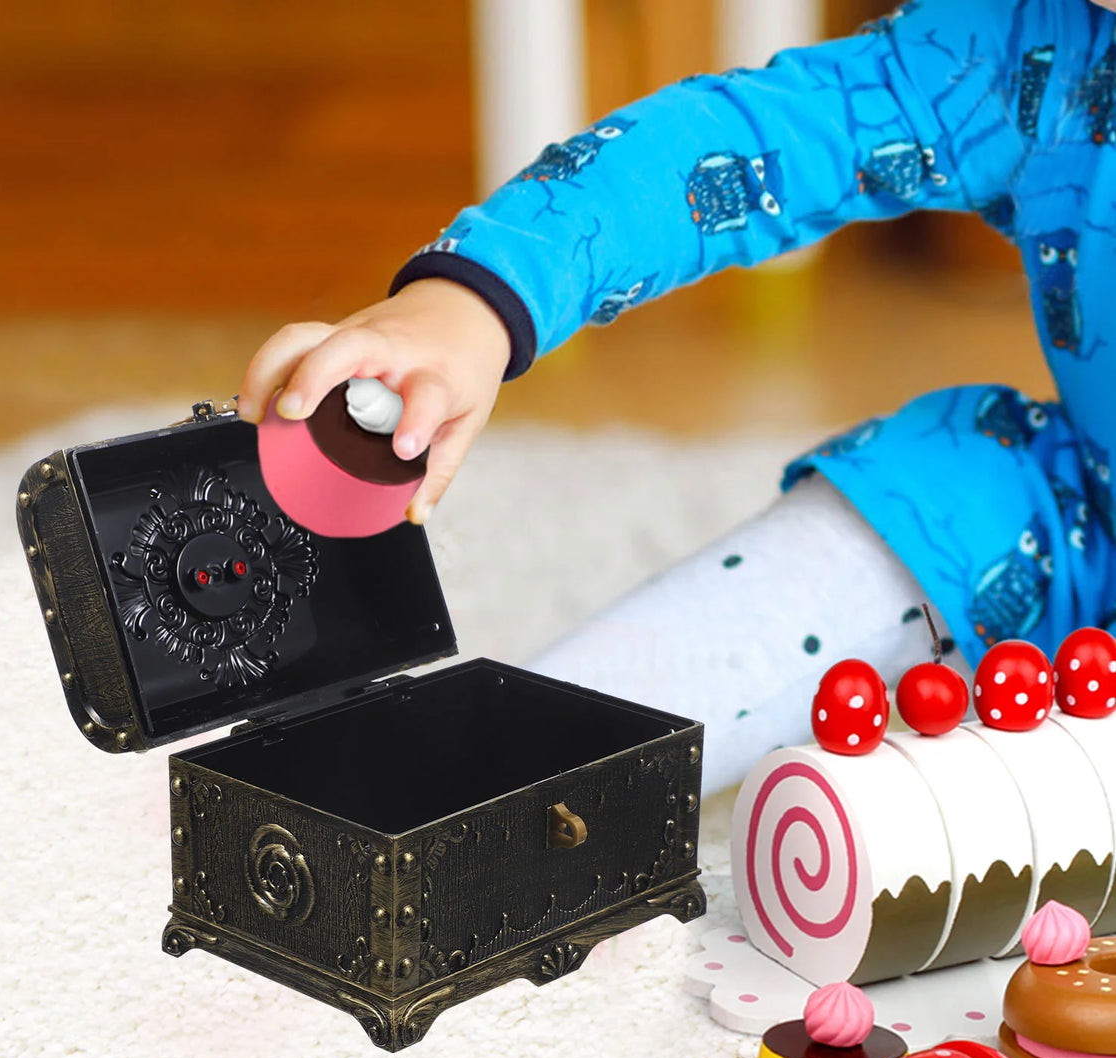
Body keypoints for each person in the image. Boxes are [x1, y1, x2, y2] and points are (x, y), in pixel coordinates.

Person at [237, 0, 1116, 793]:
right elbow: (760, 133)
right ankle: (487, 791)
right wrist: (478, 297)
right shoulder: (1035, 42)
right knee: (946, 484)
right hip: (1085, 518)